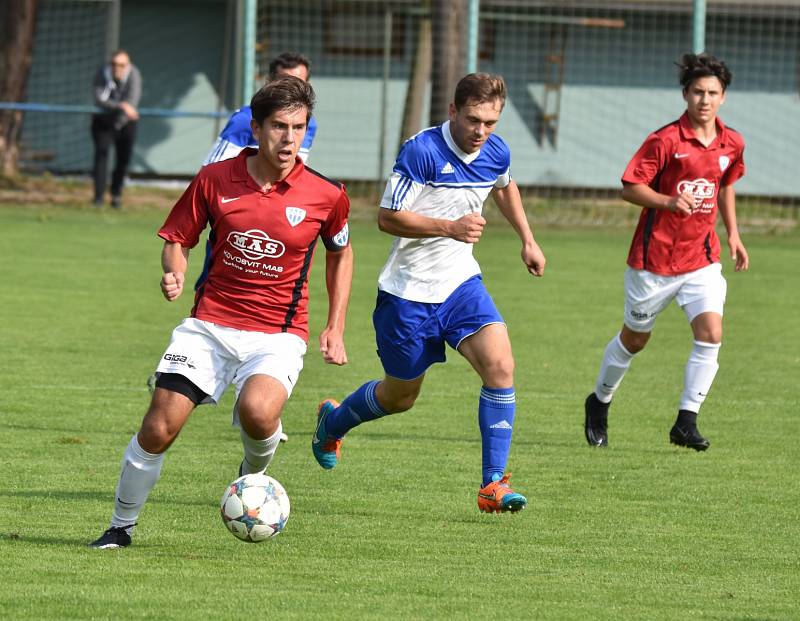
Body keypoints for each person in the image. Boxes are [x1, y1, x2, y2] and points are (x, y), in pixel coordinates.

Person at [90, 76, 353, 548]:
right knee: (159, 427)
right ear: (255, 128)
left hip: (277, 333)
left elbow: (340, 251)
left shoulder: (326, 195)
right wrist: (173, 271)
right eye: (278, 126)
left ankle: (251, 477)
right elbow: (177, 237)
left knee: (257, 412)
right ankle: (120, 528)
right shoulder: (215, 180)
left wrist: (335, 325)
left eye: (299, 127)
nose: (289, 138)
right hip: (209, 325)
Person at [311, 73, 546, 514]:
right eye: (474, 119)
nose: (481, 131)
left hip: (461, 285)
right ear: (453, 111)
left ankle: (491, 485)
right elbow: (387, 217)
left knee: (501, 365)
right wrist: (450, 227)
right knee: (401, 397)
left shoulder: (496, 149)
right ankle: (333, 421)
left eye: (491, 122)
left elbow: (504, 184)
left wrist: (527, 239)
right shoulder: (421, 150)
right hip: (407, 294)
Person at [583, 53, 749, 451]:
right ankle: (599, 402)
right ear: (686, 95)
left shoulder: (732, 142)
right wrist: (668, 201)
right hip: (654, 260)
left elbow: (725, 184)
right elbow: (629, 187)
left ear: (723, 97)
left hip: (702, 258)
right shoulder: (665, 141)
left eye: (712, 93)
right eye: (697, 92)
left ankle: (686, 422)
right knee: (635, 340)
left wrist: (734, 235)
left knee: (711, 334)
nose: (704, 100)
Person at [203, 52, 316, 166]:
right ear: (269, 81)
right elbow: (211, 172)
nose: (290, 88)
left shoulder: (309, 123)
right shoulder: (245, 118)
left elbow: (298, 168)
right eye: (284, 81)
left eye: (298, 82)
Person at [91, 49, 142, 208]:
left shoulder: (134, 75)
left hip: (126, 123)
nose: (117, 68)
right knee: (101, 156)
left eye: (121, 65)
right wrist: (120, 106)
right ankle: (98, 198)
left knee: (123, 160)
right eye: (114, 64)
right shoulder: (103, 73)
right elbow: (99, 98)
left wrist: (123, 114)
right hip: (103, 121)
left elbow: (132, 102)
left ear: (127, 66)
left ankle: (116, 195)